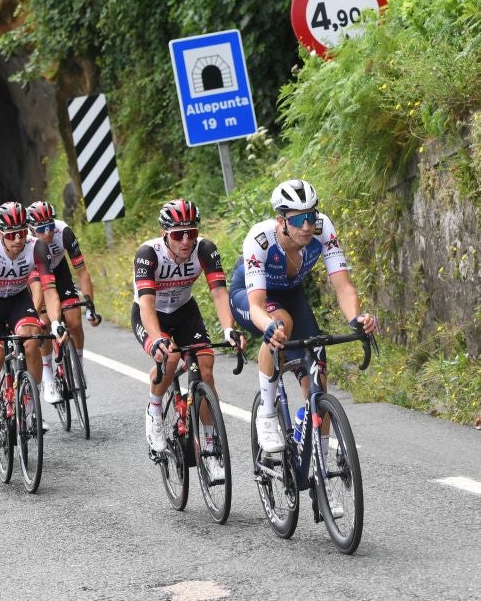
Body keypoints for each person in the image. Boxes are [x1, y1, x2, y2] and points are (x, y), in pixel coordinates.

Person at [229, 179, 377, 454]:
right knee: (281, 324)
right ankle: (268, 413)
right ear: (281, 221)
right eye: (298, 220)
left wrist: (356, 319)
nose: (307, 226)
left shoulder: (323, 230)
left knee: (318, 380)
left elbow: (343, 286)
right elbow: (258, 305)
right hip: (251, 296)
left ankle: (317, 459)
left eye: (311, 216)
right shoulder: (260, 240)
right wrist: (270, 327)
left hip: (291, 293)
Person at [133, 199, 244, 475]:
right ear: (164, 234)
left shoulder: (205, 249)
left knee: (206, 370)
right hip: (152, 314)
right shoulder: (149, 254)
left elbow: (219, 292)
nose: (186, 240)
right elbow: (146, 305)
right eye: (178, 234)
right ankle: (155, 410)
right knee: (168, 357)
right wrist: (157, 338)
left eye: (191, 233)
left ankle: (209, 448)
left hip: (184, 311)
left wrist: (229, 329)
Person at [0, 202, 58, 454]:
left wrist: (56, 320)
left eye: (22, 232)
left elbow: (49, 289)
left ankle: (30, 403)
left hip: (18, 299)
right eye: (11, 235)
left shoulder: (37, 246)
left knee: (31, 340)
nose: (18, 239)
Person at [26, 200, 100, 405]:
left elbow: (83, 273)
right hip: (36, 277)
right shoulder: (26, 242)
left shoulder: (63, 232)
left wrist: (90, 307)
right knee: (44, 323)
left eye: (50, 226)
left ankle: (79, 369)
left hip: (59, 272)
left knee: (74, 321)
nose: (47, 233)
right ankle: (48, 376)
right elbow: (39, 287)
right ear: (32, 228)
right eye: (41, 229)